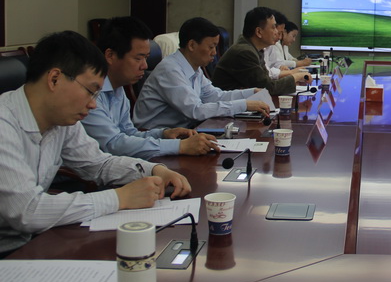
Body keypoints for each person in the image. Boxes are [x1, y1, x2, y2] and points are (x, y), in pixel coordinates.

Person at [0, 31, 191, 256]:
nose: (93, 105)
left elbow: (99, 164)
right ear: (54, 79)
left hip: (30, 244)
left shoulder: (62, 121)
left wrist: (153, 170)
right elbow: (27, 210)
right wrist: (119, 198)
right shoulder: (4, 124)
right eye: (90, 91)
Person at [82, 17, 220, 159]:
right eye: (138, 58)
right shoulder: (88, 94)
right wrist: (179, 146)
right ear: (110, 55)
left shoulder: (118, 88)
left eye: (146, 58)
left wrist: (163, 134)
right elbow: (113, 144)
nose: (145, 66)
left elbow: (129, 133)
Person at [133, 17, 271, 129]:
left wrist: (251, 93)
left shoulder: (195, 68)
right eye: (211, 47)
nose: (214, 53)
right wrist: (244, 104)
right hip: (156, 136)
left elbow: (214, 95)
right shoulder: (170, 70)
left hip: (184, 131)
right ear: (192, 45)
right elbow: (196, 110)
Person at [213, 7, 308, 94]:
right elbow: (268, 88)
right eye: (273, 27)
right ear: (259, 32)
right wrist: (296, 76)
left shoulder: (256, 50)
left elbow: (267, 81)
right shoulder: (244, 52)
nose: (276, 33)